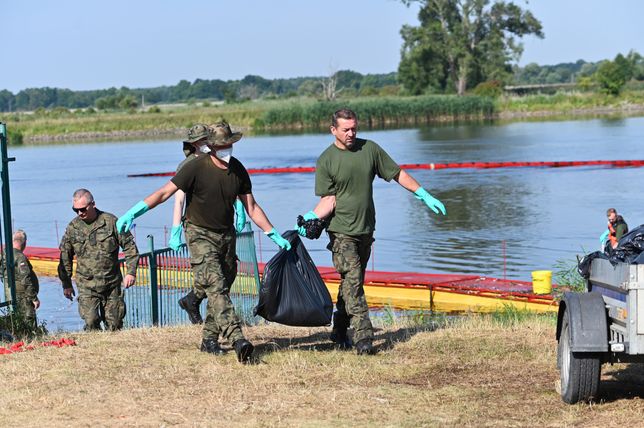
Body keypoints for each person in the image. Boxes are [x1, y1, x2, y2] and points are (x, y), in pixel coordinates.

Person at [116, 121, 291, 364]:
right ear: (210, 146)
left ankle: (209, 340)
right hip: (199, 233)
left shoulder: (238, 170)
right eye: (221, 145)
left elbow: (251, 206)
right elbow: (164, 193)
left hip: (226, 234)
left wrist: (273, 233)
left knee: (223, 284)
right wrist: (134, 212)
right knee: (215, 285)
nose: (226, 149)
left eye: (229, 144)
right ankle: (238, 339)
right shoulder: (196, 167)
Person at [296, 108, 446, 355]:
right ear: (333, 130)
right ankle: (364, 339)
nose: (351, 133)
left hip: (366, 228)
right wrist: (311, 217)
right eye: (346, 129)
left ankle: (340, 328)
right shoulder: (326, 160)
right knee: (354, 282)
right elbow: (329, 200)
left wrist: (422, 194)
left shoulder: (370, 149)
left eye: (354, 128)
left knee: (350, 283)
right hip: (341, 232)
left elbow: (398, 174)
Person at [169, 124, 247, 325]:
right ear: (194, 144)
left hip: (222, 227)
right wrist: (176, 228)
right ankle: (227, 328)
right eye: (202, 141)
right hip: (199, 227)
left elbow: (228, 188)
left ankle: (192, 300)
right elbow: (178, 199)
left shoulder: (222, 162)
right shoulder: (188, 166)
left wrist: (239, 207)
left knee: (222, 273)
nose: (207, 144)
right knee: (213, 276)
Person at [58, 189, 140, 331]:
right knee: (91, 321)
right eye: (75, 210)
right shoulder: (73, 228)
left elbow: (130, 247)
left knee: (114, 324)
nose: (79, 213)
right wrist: (66, 283)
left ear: (93, 204)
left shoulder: (111, 222)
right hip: (87, 285)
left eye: (83, 209)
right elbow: (65, 256)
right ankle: (94, 350)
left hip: (111, 283)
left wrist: (131, 272)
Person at [2, 229, 40, 329]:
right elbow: (26, 279)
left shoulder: (4, 254)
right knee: (28, 322)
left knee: (15, 320)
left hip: (10, 294)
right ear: (24, 243)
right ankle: (29, 338)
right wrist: (34, 298)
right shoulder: (19, 256)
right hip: (24, 296)